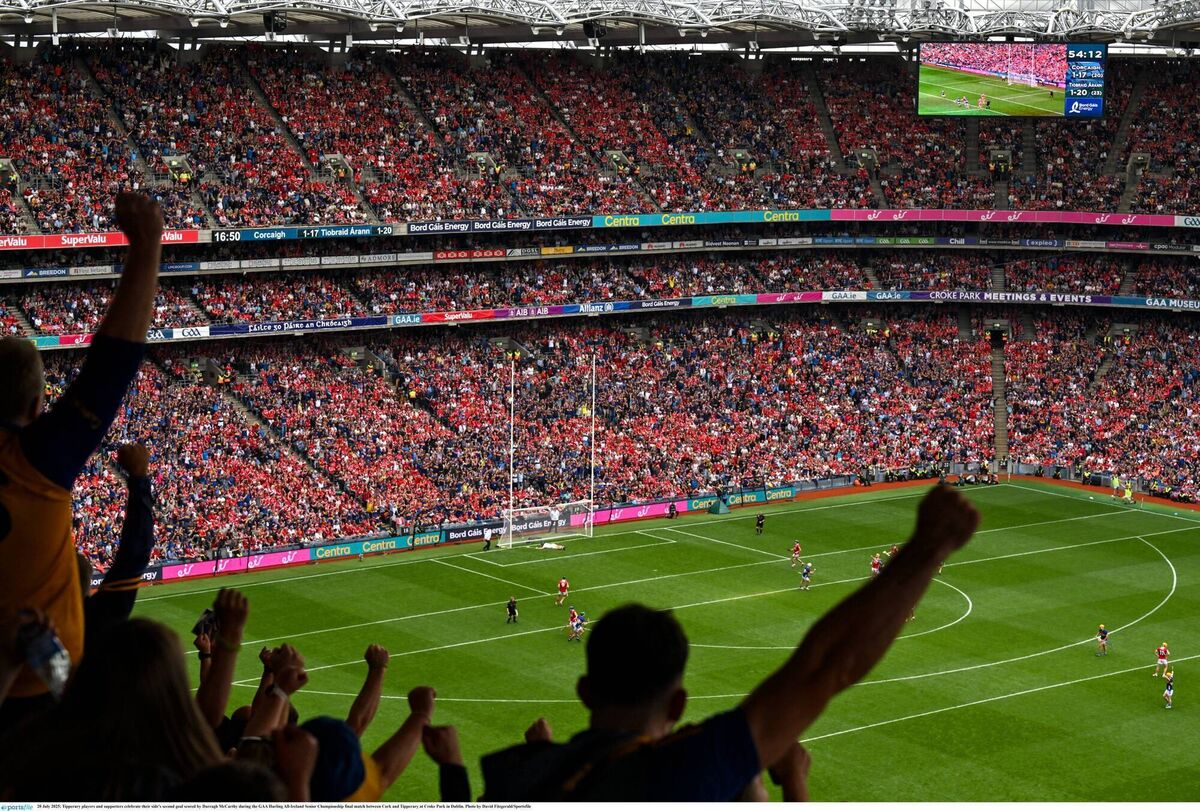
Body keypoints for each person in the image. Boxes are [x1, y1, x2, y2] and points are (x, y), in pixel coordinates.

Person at [479, 485, 979, 801]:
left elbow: (828, 664)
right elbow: (827, 665)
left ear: (585, 691)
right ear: (678, 700)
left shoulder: (513, 778)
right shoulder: (687, 765)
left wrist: (545, 758)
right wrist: (930, 547)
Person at [0, 193, 162, 728]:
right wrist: (146, 247)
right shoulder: (35, 460)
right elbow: (110, 368)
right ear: (35, 407)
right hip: (34, 699)